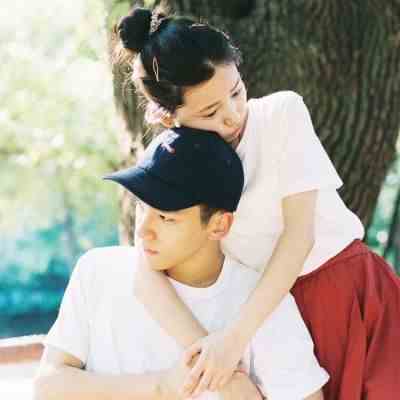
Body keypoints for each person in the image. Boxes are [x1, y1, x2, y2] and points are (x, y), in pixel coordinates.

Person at [110, 3, 400, 400]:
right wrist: (212, 355)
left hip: (346, 291)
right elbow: (146, 273)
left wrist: (233, 340)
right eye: (210, 111)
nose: (232, 115)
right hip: (266, 324)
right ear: (167, 117)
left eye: (236, 91)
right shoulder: (165, 159)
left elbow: (299, 236)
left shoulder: (281, 113)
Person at [34, 129, 327, 400]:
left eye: (166, 218)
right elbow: (48, 386)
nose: (143, 230)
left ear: (219, 225)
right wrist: (160, 387)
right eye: (141, 207)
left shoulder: (262, 304)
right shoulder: (98, 271)